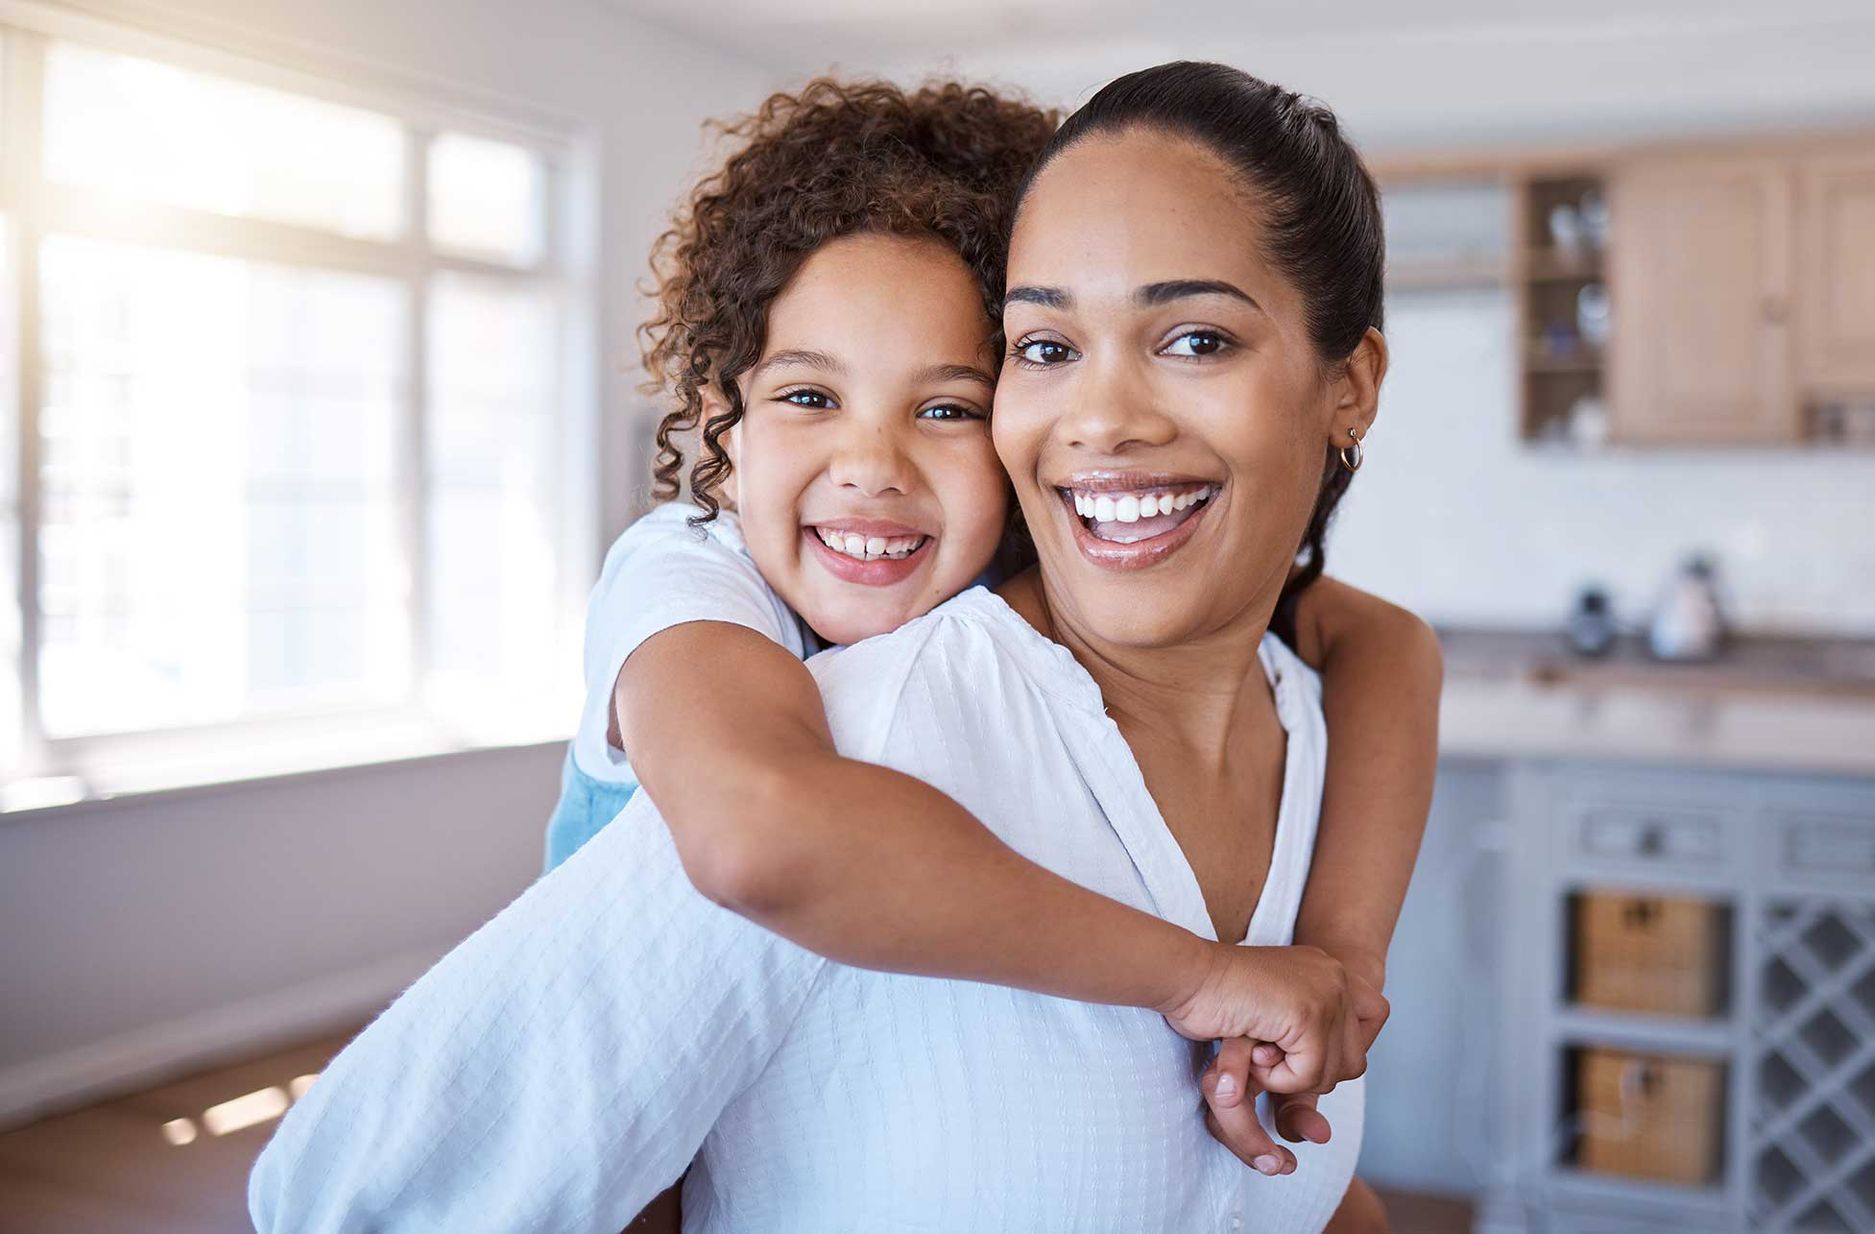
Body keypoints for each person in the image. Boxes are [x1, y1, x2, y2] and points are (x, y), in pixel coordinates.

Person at [251, 63, 1432, 1233]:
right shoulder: (748, 628)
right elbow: (756, 834)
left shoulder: (1288, 692)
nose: (871, 465)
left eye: (947, 405)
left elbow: (1388, 643)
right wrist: (1196, 974)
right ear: (723, 422)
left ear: (1351, 386)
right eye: (1053, 347)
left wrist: (1343, 965)